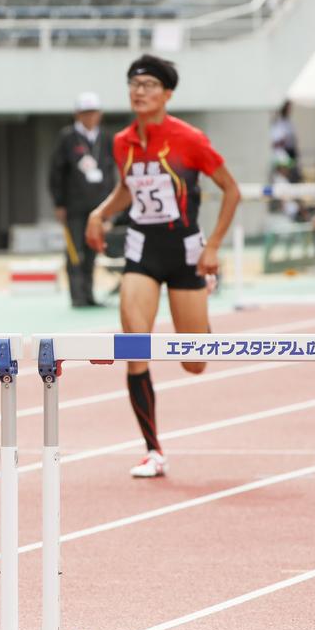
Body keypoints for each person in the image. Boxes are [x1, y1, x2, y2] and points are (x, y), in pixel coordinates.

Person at [86, 54, 241, 479]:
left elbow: (231, 190)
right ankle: (153, 450)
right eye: (134, 84)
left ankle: (201, 313)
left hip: (186, 249)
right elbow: (127, 189)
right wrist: (100, 213)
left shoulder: (190, 139)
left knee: (194, 362)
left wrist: (213, 246)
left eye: (150, 85)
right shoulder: (122, 142)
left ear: (167, 94)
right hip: (142, 249)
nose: (140, 92)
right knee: (134, 347)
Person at [49, 91, 115, 308]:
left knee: (92, 249)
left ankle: (89, 293)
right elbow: (56, 172)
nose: (90, 117)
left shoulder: (105, 137)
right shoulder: (67, 137)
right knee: (74, 250)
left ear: (100, 114)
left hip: (99, 206)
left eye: (93, 112)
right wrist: (59, 203)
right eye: (85, 112)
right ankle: (77, 295)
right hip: (74, 205)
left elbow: (110, 172)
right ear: (77, 114)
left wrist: (110, 205)